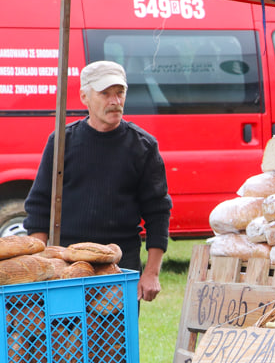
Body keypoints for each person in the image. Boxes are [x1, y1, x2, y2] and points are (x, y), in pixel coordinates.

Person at [23, 61, 172, 302]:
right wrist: (35, 266)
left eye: (119, 92)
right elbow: (39, 206)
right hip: (67, 264)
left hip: (121, 267)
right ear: (85, 96)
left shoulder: (143, 146)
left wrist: (151, 273)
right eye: (105, 93)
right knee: (66, 339)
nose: (115, 101)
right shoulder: (61, 142)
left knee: (117, 340)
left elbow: (158, 212)